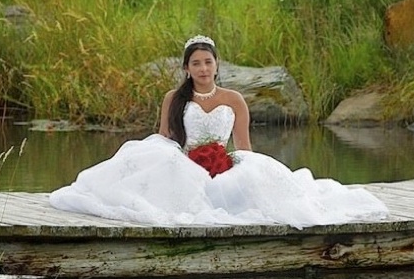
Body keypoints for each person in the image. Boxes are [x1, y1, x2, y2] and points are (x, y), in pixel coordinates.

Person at [48, 35, 389, 228]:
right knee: (164, 167)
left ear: (217, 65)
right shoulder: (174, 98)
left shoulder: (234, 99)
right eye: (195, 63)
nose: (203, 68)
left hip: (223, 163)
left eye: (208, 62)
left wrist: (232, 163)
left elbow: (244, 146)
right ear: (186, 68)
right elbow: (165, 138)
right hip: (185, 162)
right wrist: (186, 159)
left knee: (253, 179)